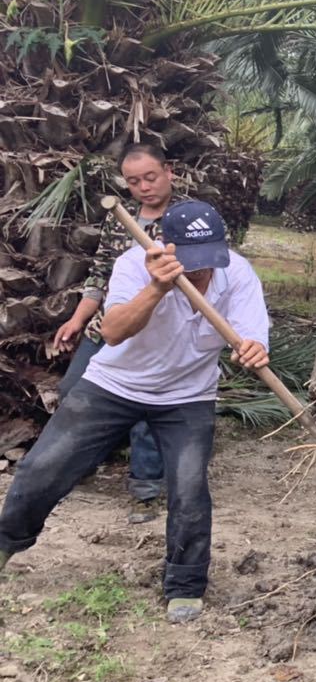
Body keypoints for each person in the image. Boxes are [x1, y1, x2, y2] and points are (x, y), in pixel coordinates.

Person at [0, 201, 269, 623]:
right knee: (41, 470)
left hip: (187, 396)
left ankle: (185, 584)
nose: (201, 273)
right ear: (166, 247)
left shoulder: (236, 272)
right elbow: (113, 330)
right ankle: (7, 541)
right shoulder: (132, 265)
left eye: (208, 261)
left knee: (189, 489)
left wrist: (254, 347)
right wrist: (158, 288)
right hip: (113, 385)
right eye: (191, 263)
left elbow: (251, 333)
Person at [53, 142, 184, 523]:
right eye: (133, 181)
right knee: (73, 391)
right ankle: (75, 469)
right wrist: (78, 319)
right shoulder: (120, 217)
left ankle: (145, 490)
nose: (143, 187)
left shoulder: (188, 218)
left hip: (158, 331)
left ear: (168, 171)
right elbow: (100, 272)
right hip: (108, 325)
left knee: (146, 409)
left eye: (150, 177)